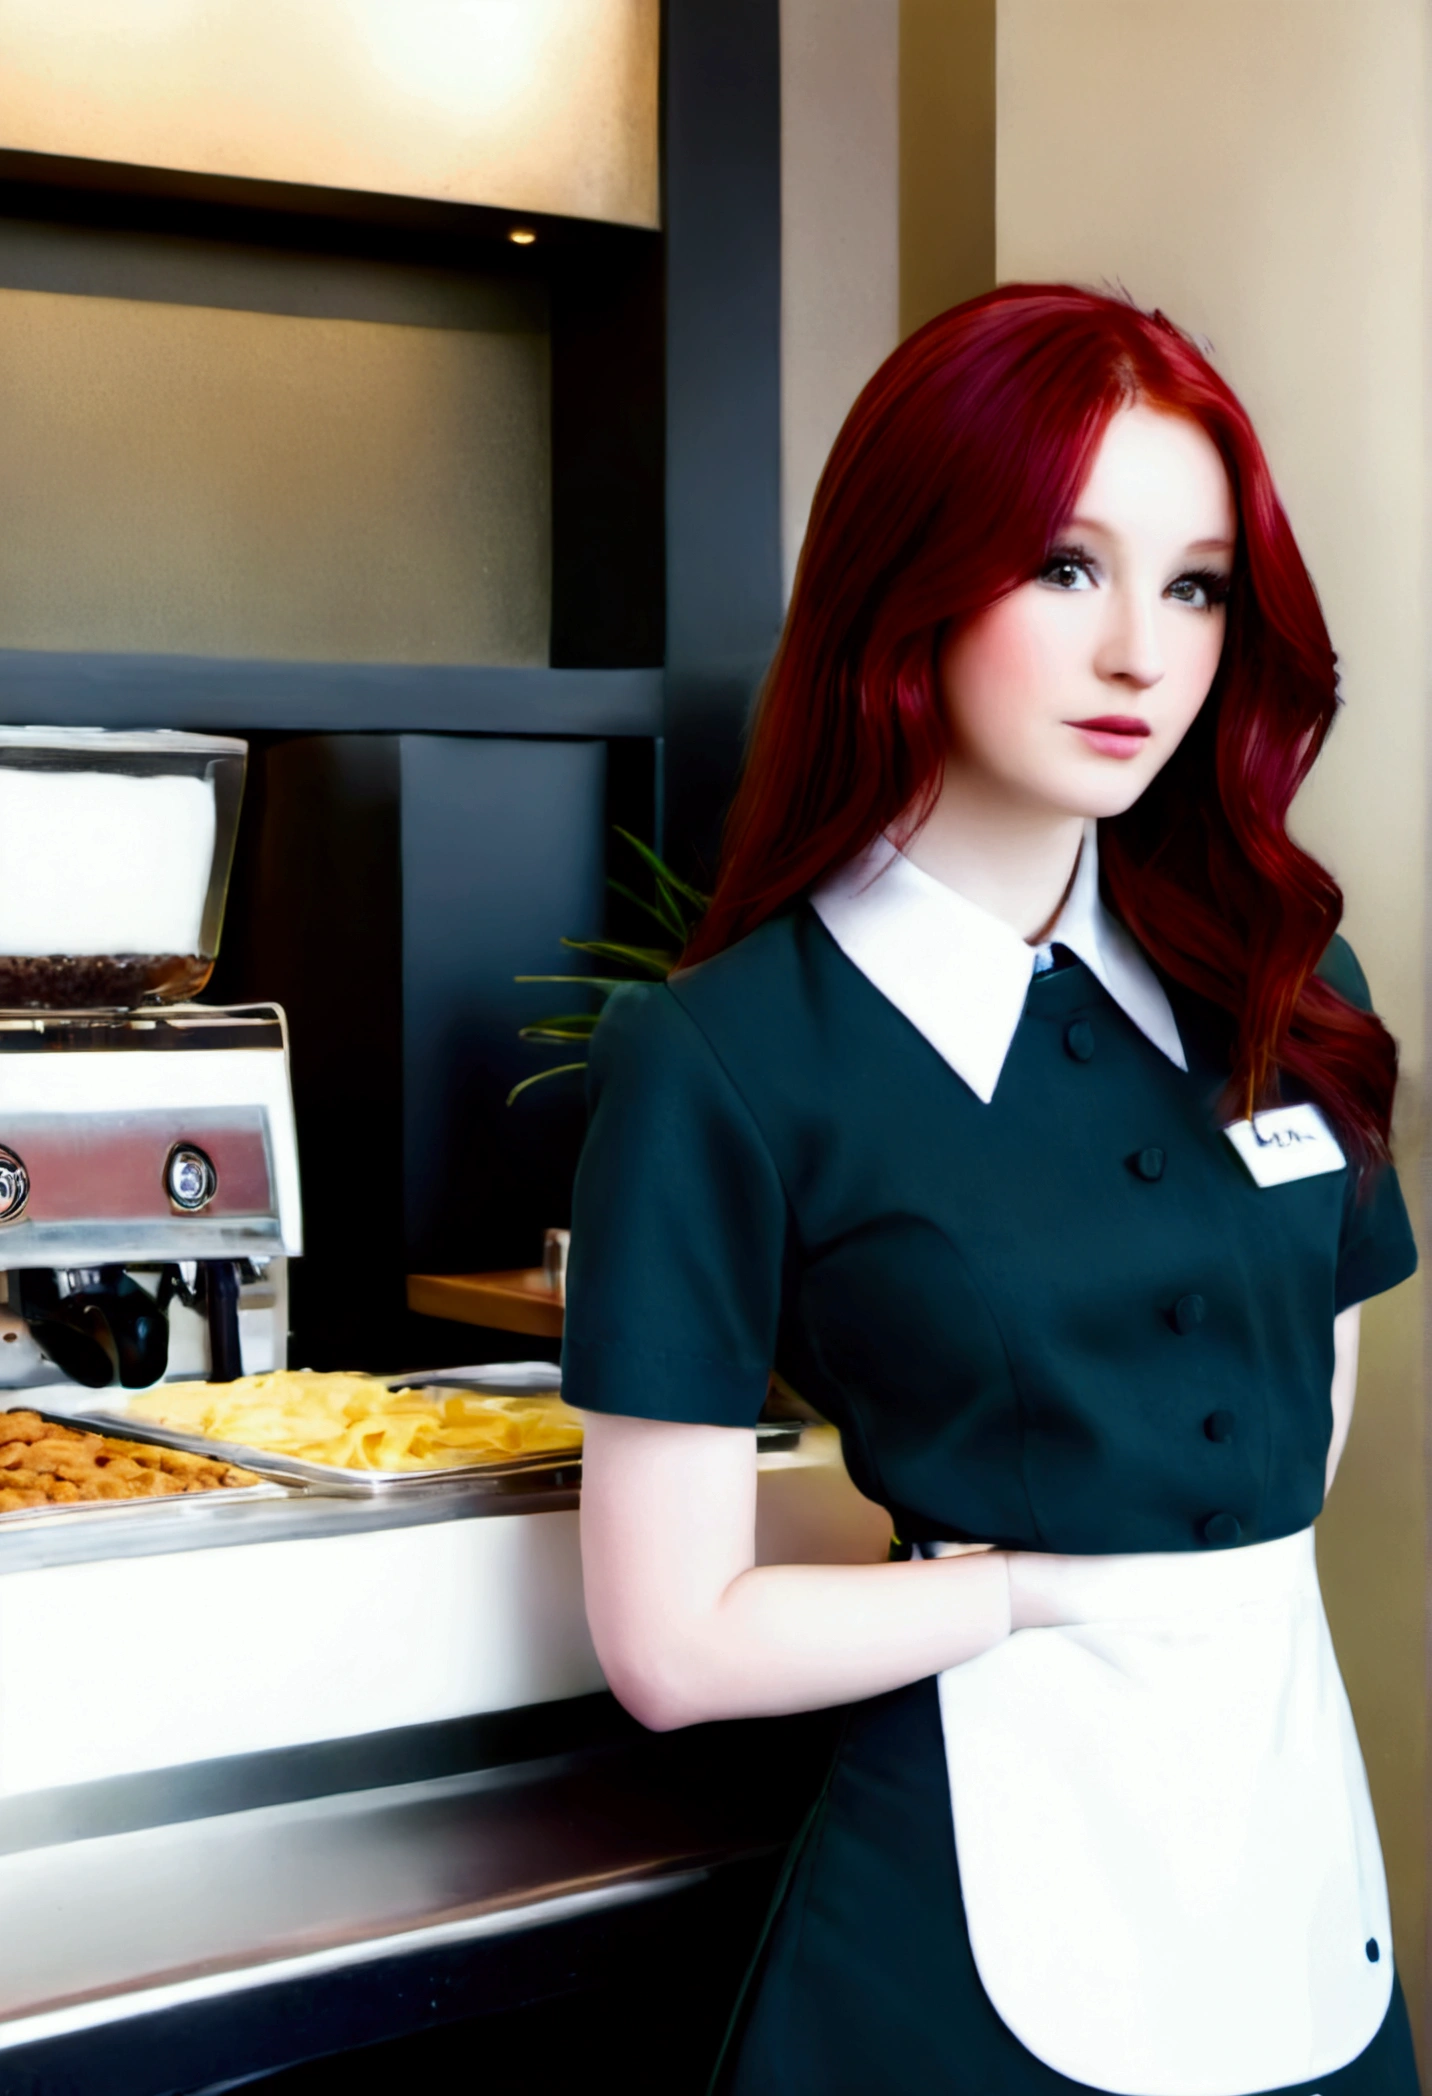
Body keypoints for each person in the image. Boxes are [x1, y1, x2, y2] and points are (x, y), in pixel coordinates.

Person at [562, 285, 1421, 2095]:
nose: (1143, 657)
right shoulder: (723, 1054)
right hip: (958, 1933)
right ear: (913, 578)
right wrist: (1039, 1591)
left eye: (1193, 586)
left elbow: (1301, 1429)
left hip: (1291, 1883)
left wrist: (1165, 1585)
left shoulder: (1283, 982)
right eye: (1063, 568)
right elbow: (672, 1641)